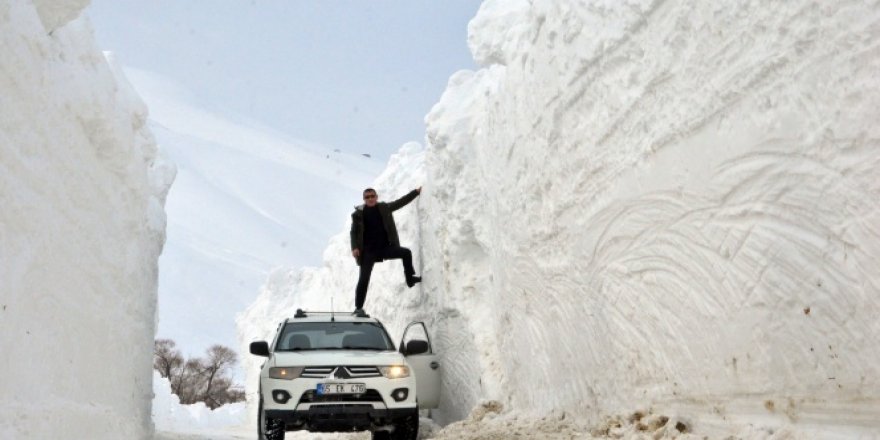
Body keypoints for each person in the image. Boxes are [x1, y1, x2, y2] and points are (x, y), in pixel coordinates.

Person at [350, 187, 422, 314]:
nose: (370, 199)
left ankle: (410, 279)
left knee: (406, 253)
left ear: (377, 197)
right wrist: (355, 247)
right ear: (364, 199)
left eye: (372, 196)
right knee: (363, 279)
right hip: (368, 252)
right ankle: (358, 308)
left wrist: (415, 193)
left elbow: (400, 202)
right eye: (367, 197)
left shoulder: (384, 208)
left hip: (385, 248)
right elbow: (353, 232)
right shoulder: (358, 214)